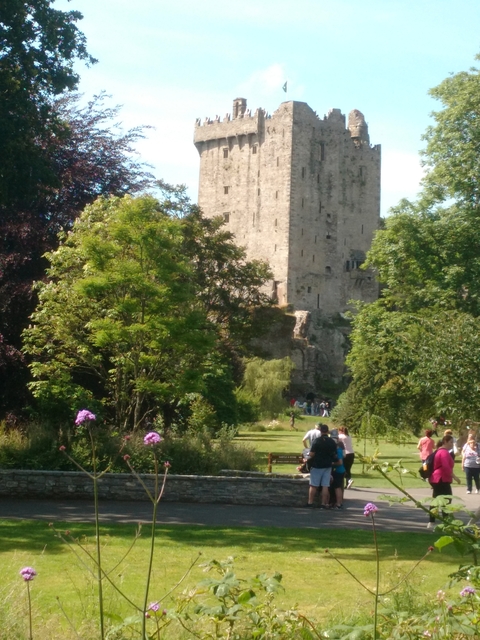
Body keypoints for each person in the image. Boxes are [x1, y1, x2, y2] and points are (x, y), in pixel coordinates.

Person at [428, 434, 461, 528]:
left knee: (436, 500)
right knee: (446, 501)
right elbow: (446, 467)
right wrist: (455, 477)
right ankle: (445, 522)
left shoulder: (439, 451)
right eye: (450, 442)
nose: (452, 444)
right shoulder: (444, 453)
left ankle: (432, 522)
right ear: (445, 442)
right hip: (441, 479)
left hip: (437, 478)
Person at [306, 424, 338, 508]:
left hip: (317, 465)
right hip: (327, 465)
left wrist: (308, 454)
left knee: (313, 485)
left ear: (320, 431)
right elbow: (334, 454)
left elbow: (312, 453)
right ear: (327, 431)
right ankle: (323, 503)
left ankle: (310, 502)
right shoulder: (331, 441)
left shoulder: (317, 441)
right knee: (325, 485)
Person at [329, 429, 345, 508]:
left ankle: (338, 503)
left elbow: (340, 462)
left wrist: (332, 463)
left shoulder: (338, 449)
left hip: (338, 471)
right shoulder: (339, 448)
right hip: (340, 470)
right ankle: (338, 502)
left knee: (337, 487)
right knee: (337, 487)